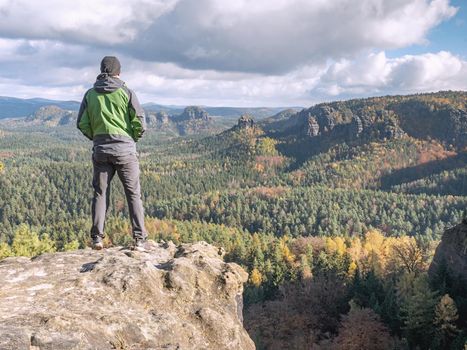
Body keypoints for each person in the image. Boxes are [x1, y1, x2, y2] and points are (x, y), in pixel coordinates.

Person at [77, 56, 147, 250]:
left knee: (100, 193)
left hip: (101, 151)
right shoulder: (127, 92)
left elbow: (82, 123)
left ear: (101, 70)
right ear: (118, 72)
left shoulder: (90, 94)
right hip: (125, 151)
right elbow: (139, 122)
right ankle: (139, 239)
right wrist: (131, 139)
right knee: (133, 194)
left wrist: (97, 138)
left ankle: (97, 238)